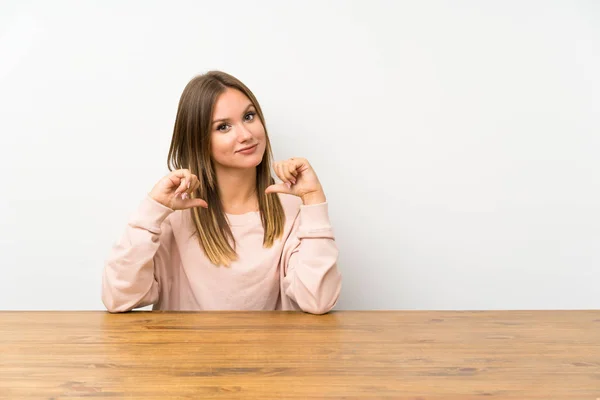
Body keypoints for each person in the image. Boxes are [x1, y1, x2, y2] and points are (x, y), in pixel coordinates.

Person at [101, 71, 341, 314]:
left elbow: (317, 301)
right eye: (223, 127)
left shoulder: (292, 210)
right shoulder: (173, 216)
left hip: (268, 353)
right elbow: (119, 298)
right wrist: (151, 211)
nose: (246, 135)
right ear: (198, 140)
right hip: (185, 352)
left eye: (249, 116)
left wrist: (313, 200)